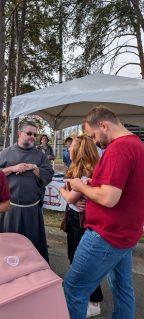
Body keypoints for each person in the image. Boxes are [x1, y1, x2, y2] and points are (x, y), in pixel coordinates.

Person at [64, 106, 144, 319]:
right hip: (125, 234)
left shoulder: (118, 148)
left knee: (74, 288)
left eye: (94, 135)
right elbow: (122, 188)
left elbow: (109, 198)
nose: (96, 141)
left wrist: (80, 187)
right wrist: (94, 183)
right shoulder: (137, 144)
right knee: (122, 287)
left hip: (105, 234)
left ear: (104, 125)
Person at [0, 120, 54, 262]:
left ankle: (32, 273)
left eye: (34, 134)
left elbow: (49, 174)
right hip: (10, 209)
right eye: (29, 133)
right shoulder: (6, 153)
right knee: (9, 246)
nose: (32, 136)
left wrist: (34, 167)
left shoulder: (40, 155)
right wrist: (12, 168)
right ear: (19, 134)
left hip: (32, 209)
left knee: (31, 246)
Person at [59, 134, 103, 318]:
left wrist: (62, 189)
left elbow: (70, 197)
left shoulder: (85, 171)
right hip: (74, 218)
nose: (68, 148)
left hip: (80, 221)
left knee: (82, 261)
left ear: (79, 149)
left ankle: (94, 301)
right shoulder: (77, 167)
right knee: (74, 257)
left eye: (71, 146)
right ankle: (84, 295)